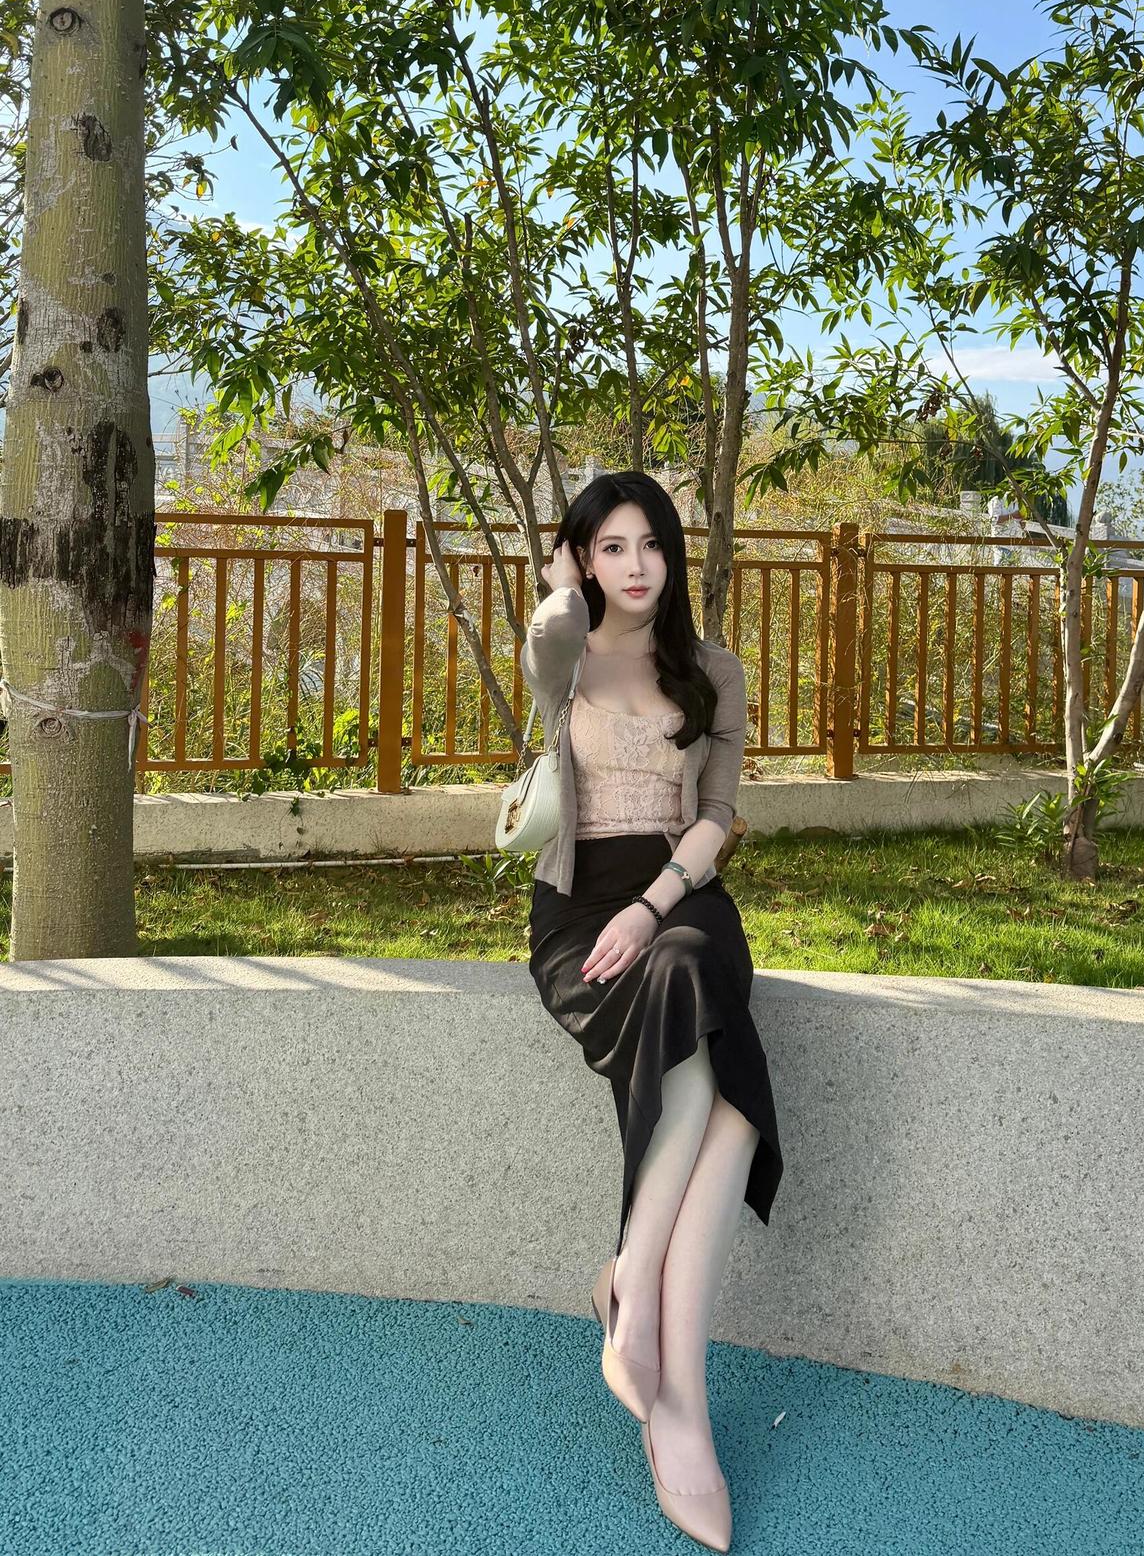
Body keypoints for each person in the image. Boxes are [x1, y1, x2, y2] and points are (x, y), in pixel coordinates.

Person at [521, 469, 783, 1553]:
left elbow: (717, 816)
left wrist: (654, 901)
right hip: (577, 912)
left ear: (672, 555)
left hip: (681, 896)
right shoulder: (563, 653)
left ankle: (642, 1317)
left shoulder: (712, 668)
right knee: (728, 1108)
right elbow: (546, 633)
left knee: (689, 974)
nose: (636, 565)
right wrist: (558, 581)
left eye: (650, 544)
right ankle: (670, 1396)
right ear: (584, 559)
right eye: (611, 546)